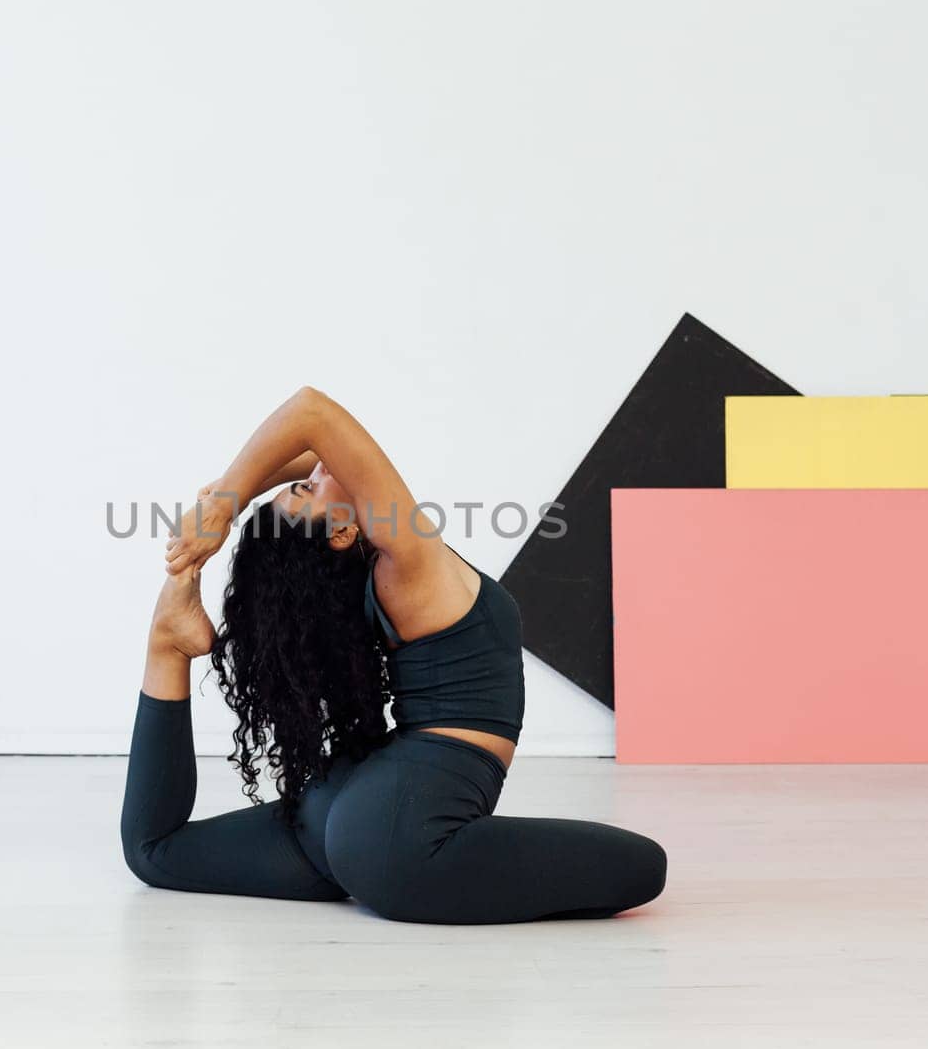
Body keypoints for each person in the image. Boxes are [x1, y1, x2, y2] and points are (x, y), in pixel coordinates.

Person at [120, 386, 667, 924]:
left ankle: (166, 649)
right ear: (340, 531)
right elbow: (311, 414)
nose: (315, 473)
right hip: (400, 833)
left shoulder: (375, 579)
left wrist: (226, 497)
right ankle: (168, 640)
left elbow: (317, 453)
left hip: (342, 810)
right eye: (308, 491)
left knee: (156, 851)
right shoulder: (407, 562)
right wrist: (223, 505)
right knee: (646, 865)